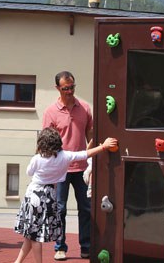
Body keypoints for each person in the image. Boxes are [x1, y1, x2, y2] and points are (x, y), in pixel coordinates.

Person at [14, 127, 117, 263]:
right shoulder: (65, 156)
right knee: (30, 235)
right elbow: (85, 154)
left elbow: (29, 172)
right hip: (50, 196)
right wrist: (103, 147)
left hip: (34, 196)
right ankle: (18, 261)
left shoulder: (37, 159)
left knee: (34, 235)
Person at [42, 70, 94, 260]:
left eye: (72, 87)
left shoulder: (85, 108)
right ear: (58, 88)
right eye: (66, 88)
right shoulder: (50, 112)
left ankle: (86, 246)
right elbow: (46, 141)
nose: (70, 91)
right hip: (60, 170)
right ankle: (60, 247)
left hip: (82, 169)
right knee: (60, 209)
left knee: (87, 208)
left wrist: (92, 161)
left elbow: (91, 134)